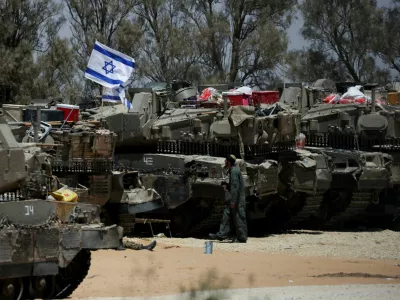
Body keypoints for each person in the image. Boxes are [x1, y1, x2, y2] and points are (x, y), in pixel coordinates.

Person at [209, 155, 248, 243]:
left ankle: (242, 238)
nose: (225, 162)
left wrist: (233, 201)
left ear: (229, 162)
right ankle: (221, 234)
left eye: (226, 161)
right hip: (234, 198)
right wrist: (226, 185)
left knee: (239, 218)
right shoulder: (234, 170)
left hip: (236, 200)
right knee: (226, 215)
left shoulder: (234, 171)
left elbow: (235, 187)